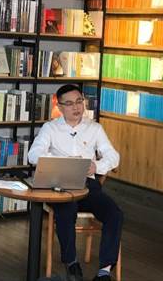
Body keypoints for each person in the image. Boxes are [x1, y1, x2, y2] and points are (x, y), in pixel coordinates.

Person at [28, 84, 123, 281]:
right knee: (67, 209)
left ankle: (104, 271)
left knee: (115, 214)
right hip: (59, 186)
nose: (76, 107)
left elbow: (114, 156)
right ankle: (71, 263)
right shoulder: (50, 128)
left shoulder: (95, 128)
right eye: (69, 103)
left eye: (79, 101)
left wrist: (97, 166)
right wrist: (58, 163)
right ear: (60, 107)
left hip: (88, 186)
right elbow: (33, 155)